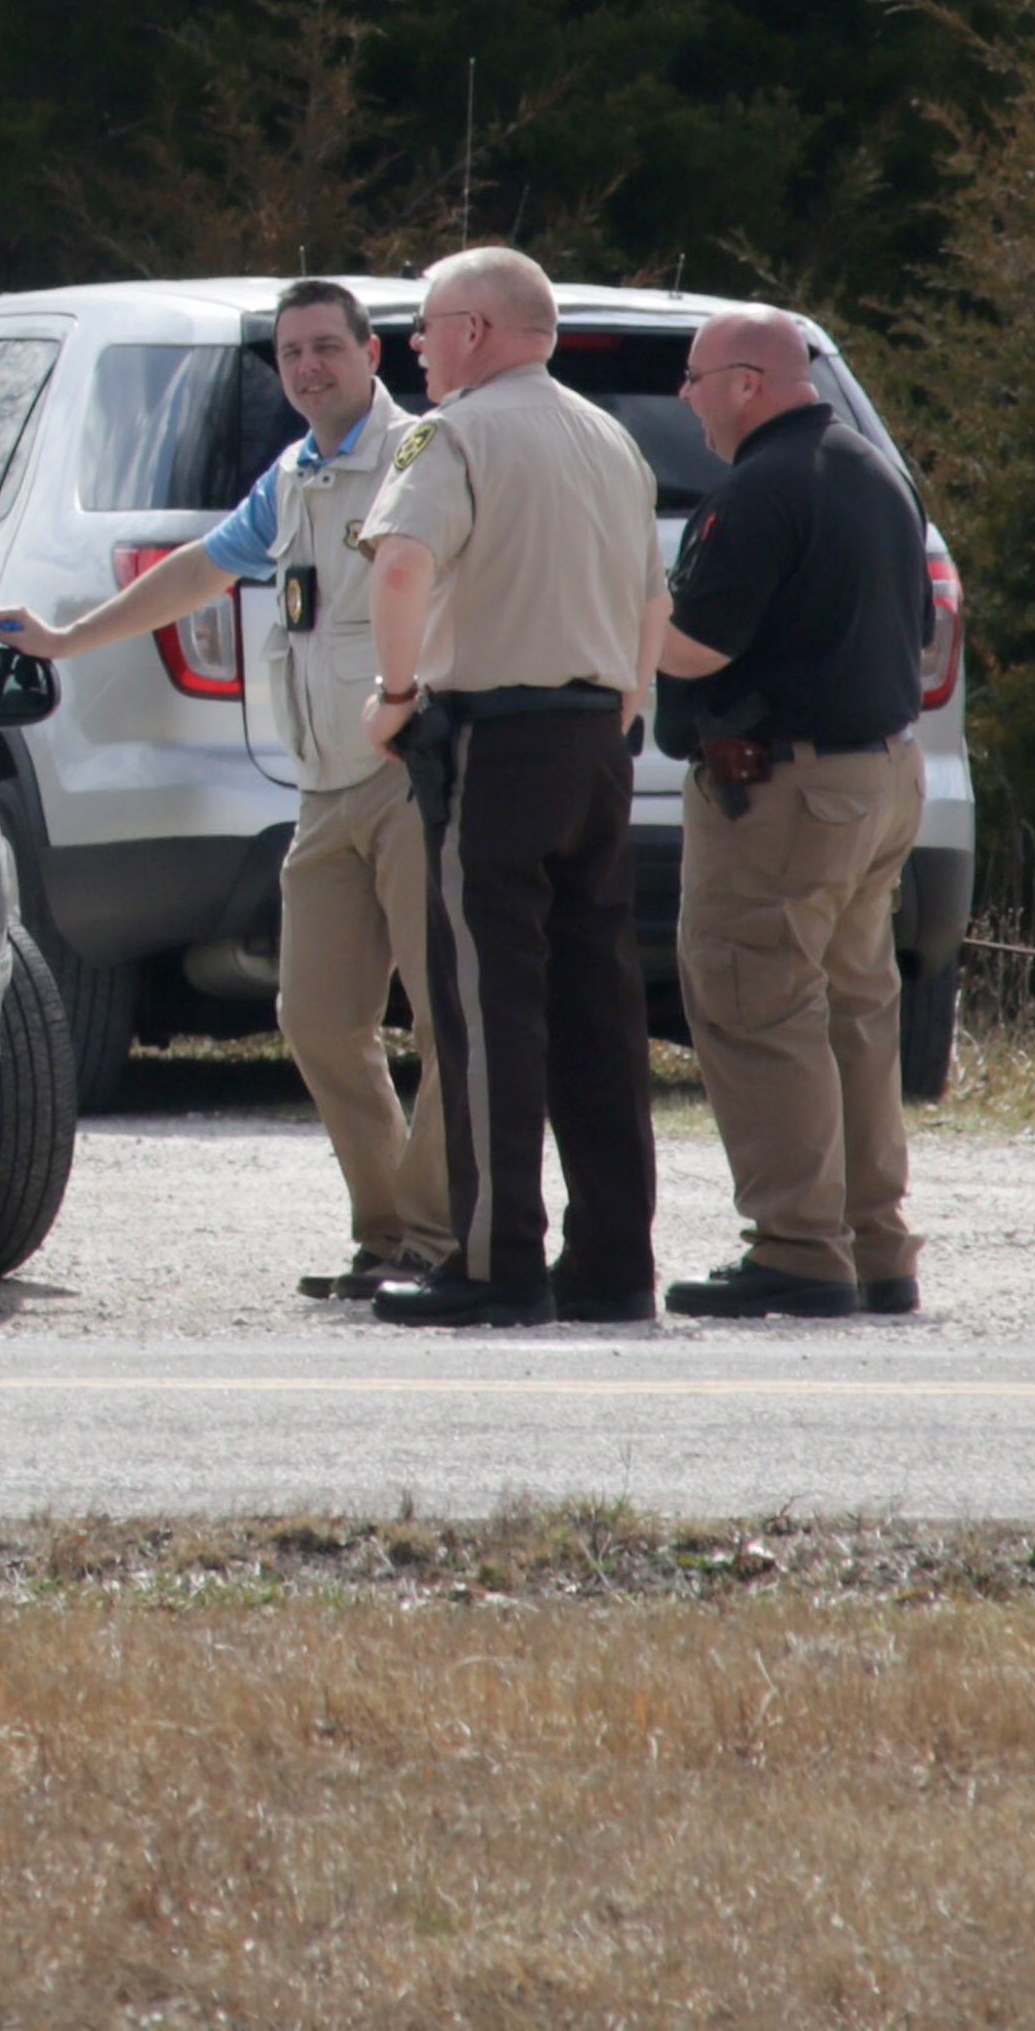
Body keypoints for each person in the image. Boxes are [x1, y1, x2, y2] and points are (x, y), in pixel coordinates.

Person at [0, 279, 447, 1297]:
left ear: (373, 355)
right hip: (322, 789)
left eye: (328, 346)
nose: (309, 367)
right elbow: (201, 569)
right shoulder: (295, 472)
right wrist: (66, 639)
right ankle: (388, 1235)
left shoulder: (423, 456)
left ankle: (436, 1239)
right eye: (291, 353)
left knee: (446, 1018)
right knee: (317, 1017)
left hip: (414, 779)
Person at [357, 245, 668, 1326]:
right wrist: (621, 709)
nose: (415, 346)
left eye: (426, 325)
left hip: (495, 743)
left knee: (489, 1005)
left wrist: (396, 694)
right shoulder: (613, 439)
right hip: (598, 742)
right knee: (600, 1007)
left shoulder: (456, 432)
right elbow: (653, 603)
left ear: (476, 331)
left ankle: (498, 1262)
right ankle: (615, 1264)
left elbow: (402, 563)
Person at [647, 307, 935, 1320]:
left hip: (786, 790)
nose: (685, 399)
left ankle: (800, 1248)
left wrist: (614, 601)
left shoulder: (761, 487)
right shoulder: (874, 470)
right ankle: (873, 1244)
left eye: (693, 379)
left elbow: (696, 646)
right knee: (853, 1009)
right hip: (881, 778)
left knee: (756, 1001)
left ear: (747, 382)